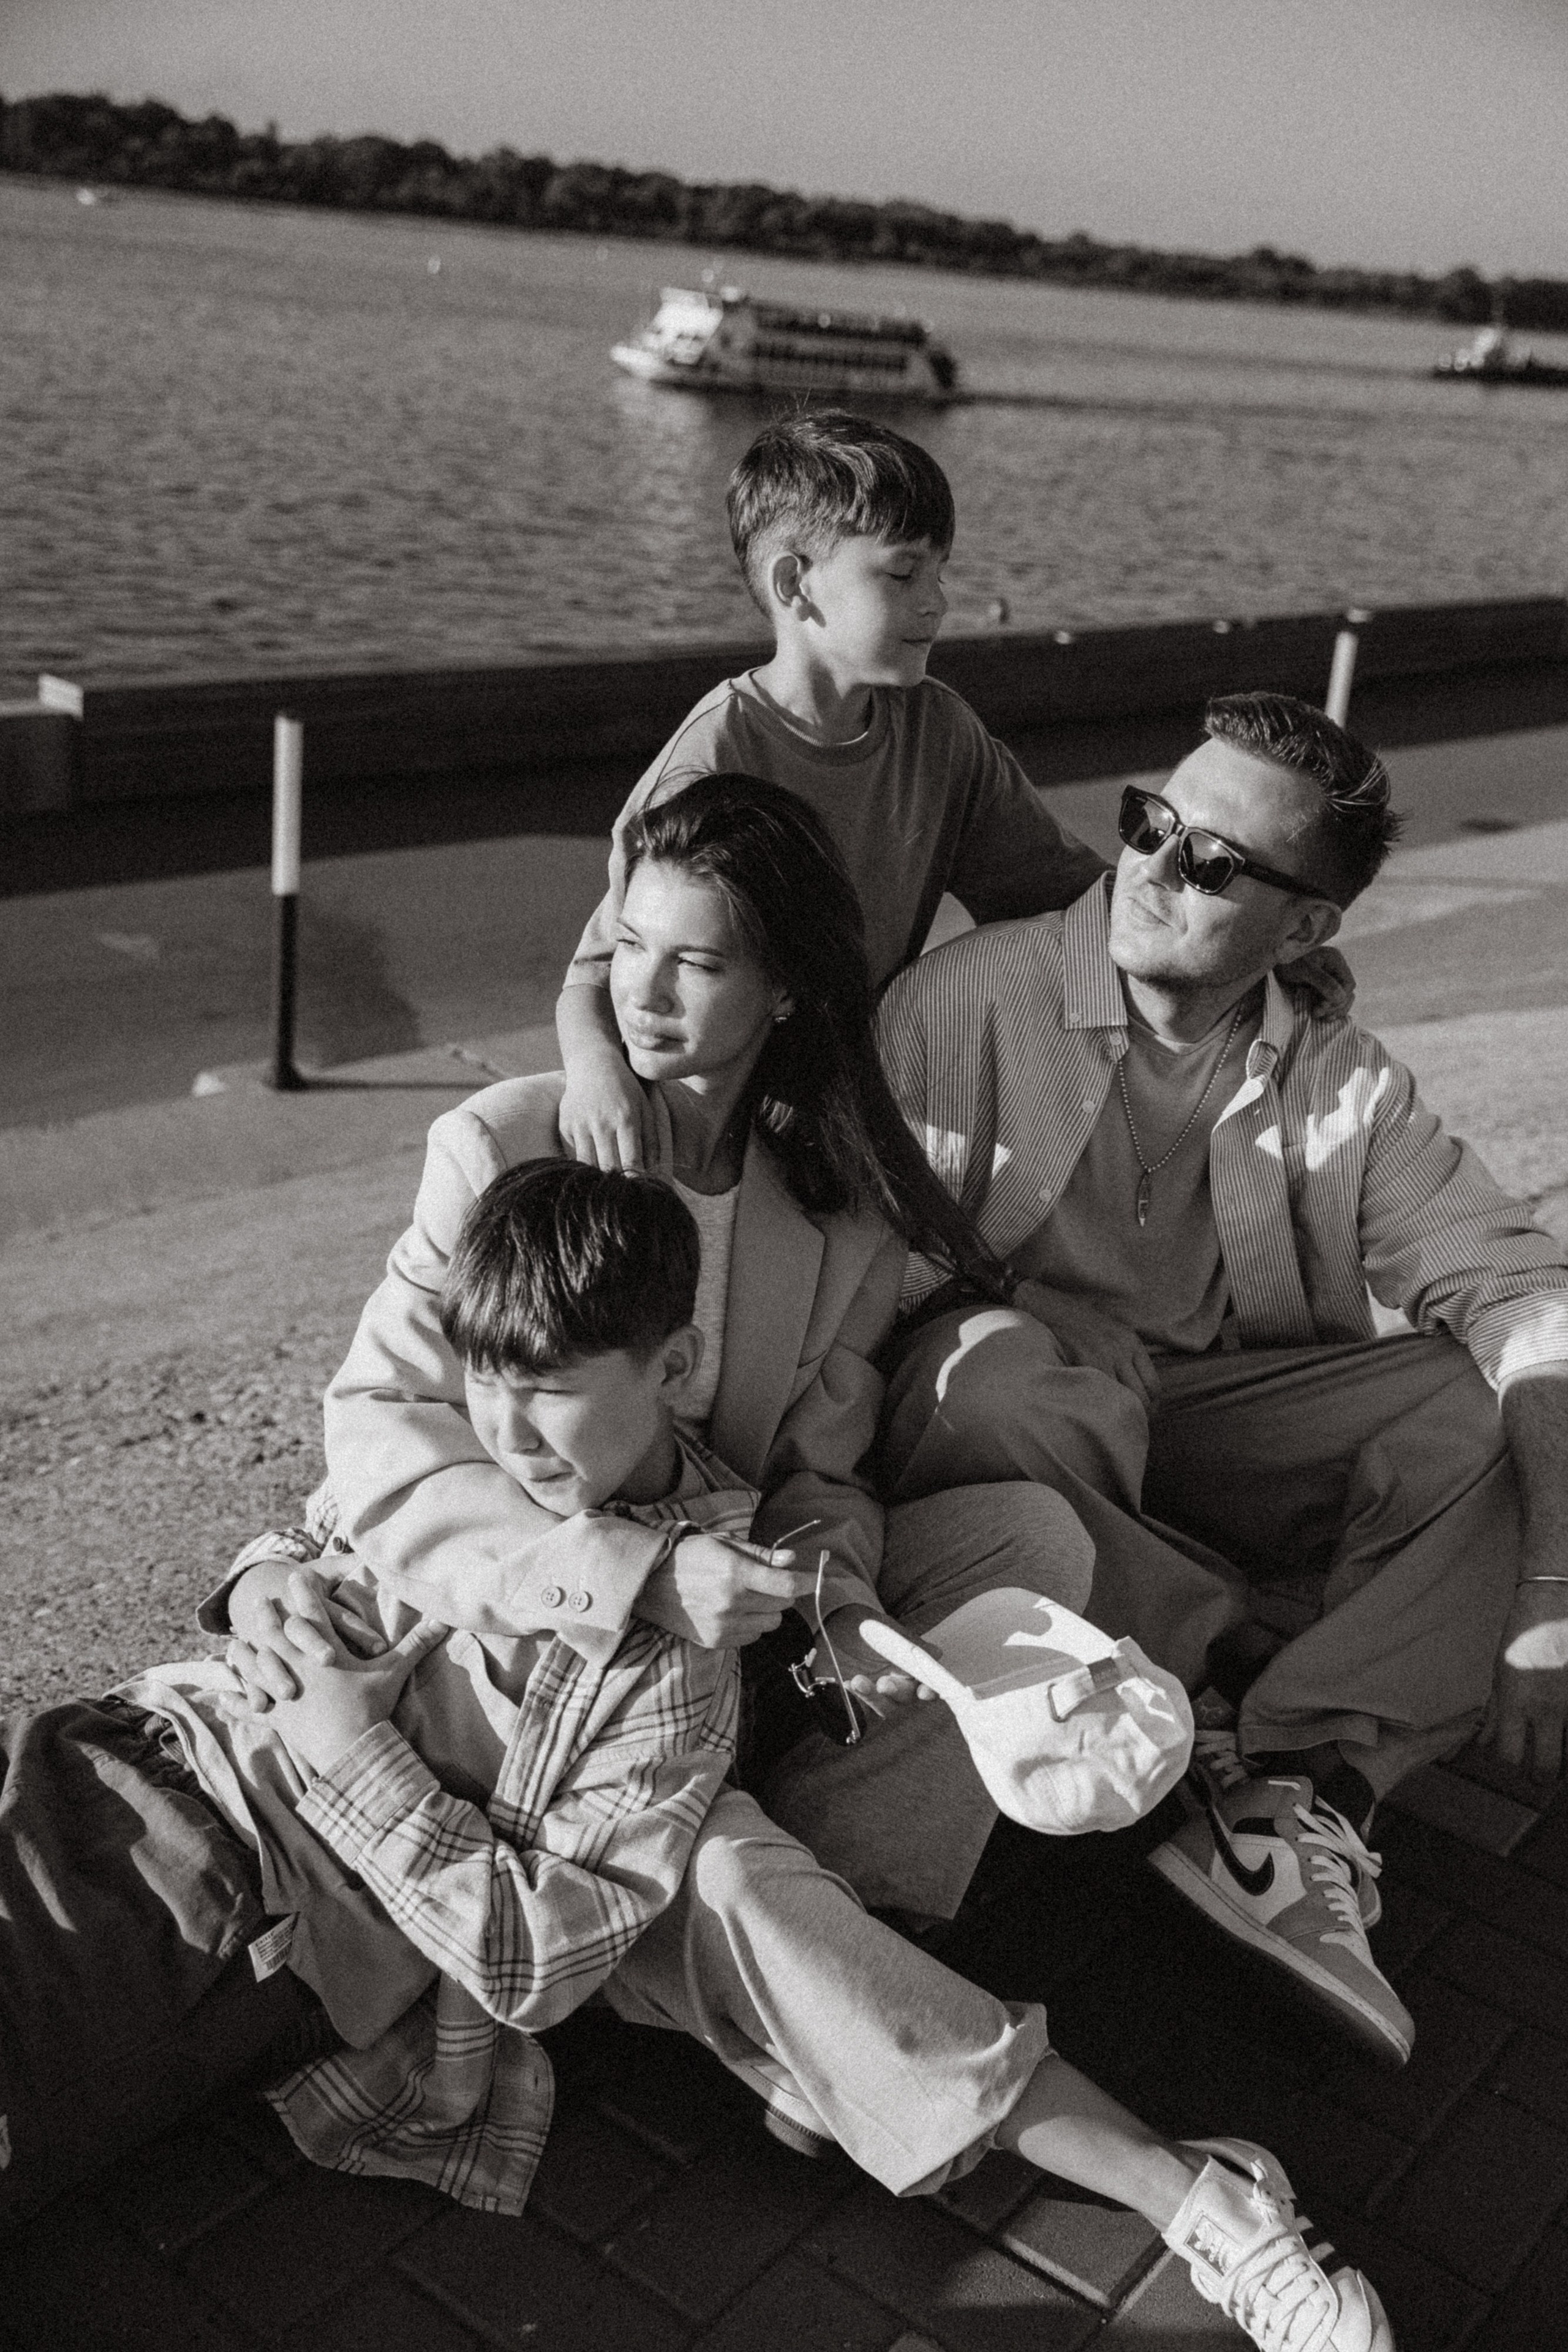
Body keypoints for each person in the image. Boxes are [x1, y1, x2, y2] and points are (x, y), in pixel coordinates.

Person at [3, 1158, 1395, 2351]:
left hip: (222, 1890)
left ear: (669, 1367)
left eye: (546, 1392)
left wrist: (347, 1742)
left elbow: (530, 1958)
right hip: (109, 1753)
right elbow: (313, 1523)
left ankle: (1185, 2190)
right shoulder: (471, 1455)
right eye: (484, 1385)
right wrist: (262, 1585)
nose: (504, 1429)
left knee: (743, 1871)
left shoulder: (678, 1655)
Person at [233, 777, 1094, 1931]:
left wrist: (837, 1612)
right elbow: (385, 1419)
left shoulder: (844, 1215)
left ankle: (858, 1898)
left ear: (784, 991)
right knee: (710, 1837)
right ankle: (746, 1929)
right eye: (630, 944)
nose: (641, 992)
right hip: (516, 1608)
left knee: (1033, 1539)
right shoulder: (502, 1142)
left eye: (697, 964)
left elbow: (816, 1476)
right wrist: (630, 1574)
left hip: (725, 1608)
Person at [874, 688, 1568, 2069]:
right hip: (1031, 1441)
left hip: (1215, 1427)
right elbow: (858, 1287)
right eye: (1149, 825)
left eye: (1210, 862)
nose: (1147, 868)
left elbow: (1517, 1293)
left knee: (1492, 1411)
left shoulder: (1341, 1084)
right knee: (994, 1380)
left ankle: (1299, 1786)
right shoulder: (966, 1005)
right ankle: (1208, 1688)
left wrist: (1552, 1593)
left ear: (1304, 929)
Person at [554, 407, 1107, 1171]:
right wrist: (594, 1073)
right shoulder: (711, 763)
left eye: (939, 573)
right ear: (795, 585)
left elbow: (1062, 892)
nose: (936, 602)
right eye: (902, 572)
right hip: (705, 1114)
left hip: (854, 1103)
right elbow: (595, 977)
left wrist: (1238, 927)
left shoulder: (938, 732)